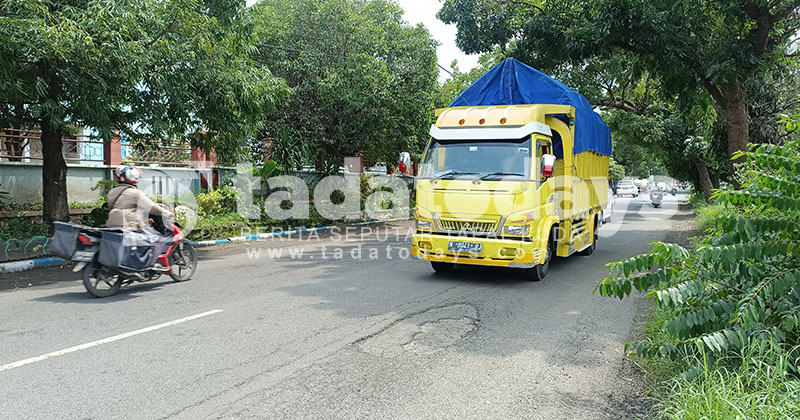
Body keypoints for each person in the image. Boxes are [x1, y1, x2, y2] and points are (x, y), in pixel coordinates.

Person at [107, 165, 174, 270]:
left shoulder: (112, 192)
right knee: (157, 238)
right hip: (131, 226)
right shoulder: (135, 192)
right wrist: (167, 213)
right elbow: (152, 208)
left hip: (113, 226)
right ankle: (153, 264)